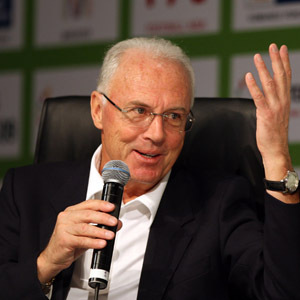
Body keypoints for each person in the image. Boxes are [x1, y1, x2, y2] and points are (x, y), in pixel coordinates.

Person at [0, 37, 299, 300]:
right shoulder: (25, 190)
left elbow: (280, 292)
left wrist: (276, 157)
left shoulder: (219, 204)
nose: (156, 134)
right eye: (139, 111)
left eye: (173, 116)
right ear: (98, 110)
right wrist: (45, 266)